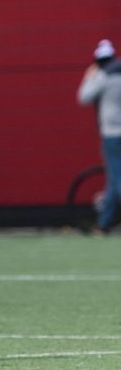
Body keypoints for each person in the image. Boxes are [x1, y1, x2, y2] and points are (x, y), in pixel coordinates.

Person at [77, 38, 121, 234]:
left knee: (117, 181)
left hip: (112, 135)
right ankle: (103, 224)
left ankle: (104, 224)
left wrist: (90, 76)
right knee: (112, 182)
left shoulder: (103, 76)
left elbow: (84, 97)